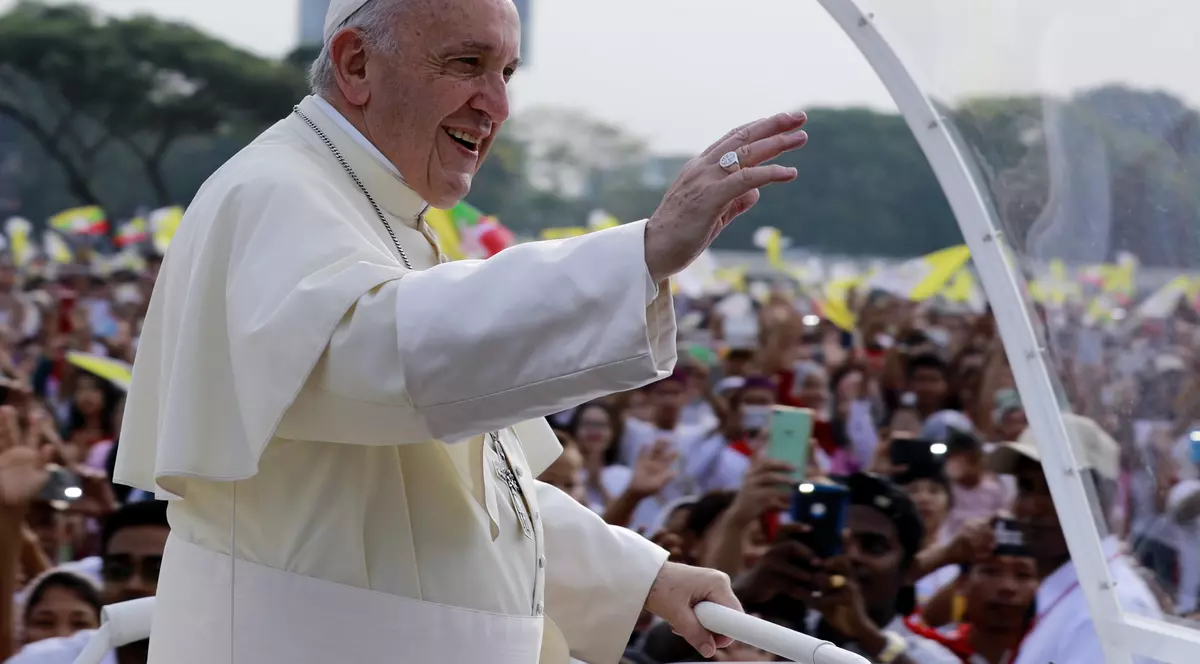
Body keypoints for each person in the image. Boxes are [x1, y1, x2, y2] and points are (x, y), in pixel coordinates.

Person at [112, 0, 809, 662]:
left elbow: (463, 498)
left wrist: (640, 579)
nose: (498, 106)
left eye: (506, 73)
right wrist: (643, 251)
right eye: (467, 64)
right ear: (355, 65)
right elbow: (380, 361)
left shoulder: (382, 212)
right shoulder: (273, 193)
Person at [987, 414, 1164, 664]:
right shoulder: (1083, 594)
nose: (1034, 507)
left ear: (1101, 499)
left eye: (1053, 488)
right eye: (1026, 487)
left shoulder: (1105, 610)